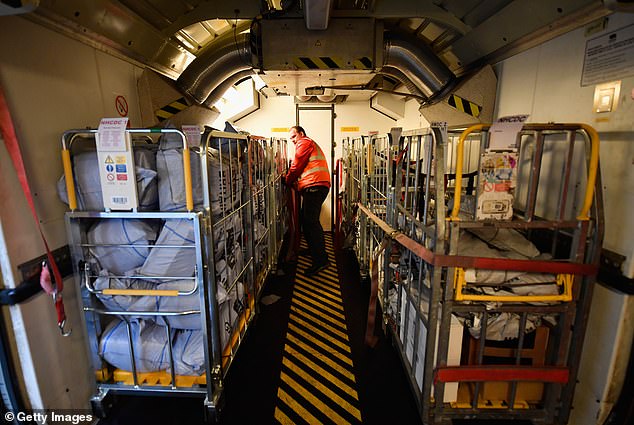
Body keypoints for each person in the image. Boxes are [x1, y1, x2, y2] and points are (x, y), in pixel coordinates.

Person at [284, 125, 331, 275]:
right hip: (315, 186)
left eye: (293, 136)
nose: (292, 140)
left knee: (311, 222)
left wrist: (287, 180)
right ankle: (315, 251)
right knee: (307, 221)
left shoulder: (304, 142)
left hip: (315, 186)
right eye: (290, 138)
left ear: (301, 133)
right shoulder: (307, 143)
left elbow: (297, 165)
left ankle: (321, 261)